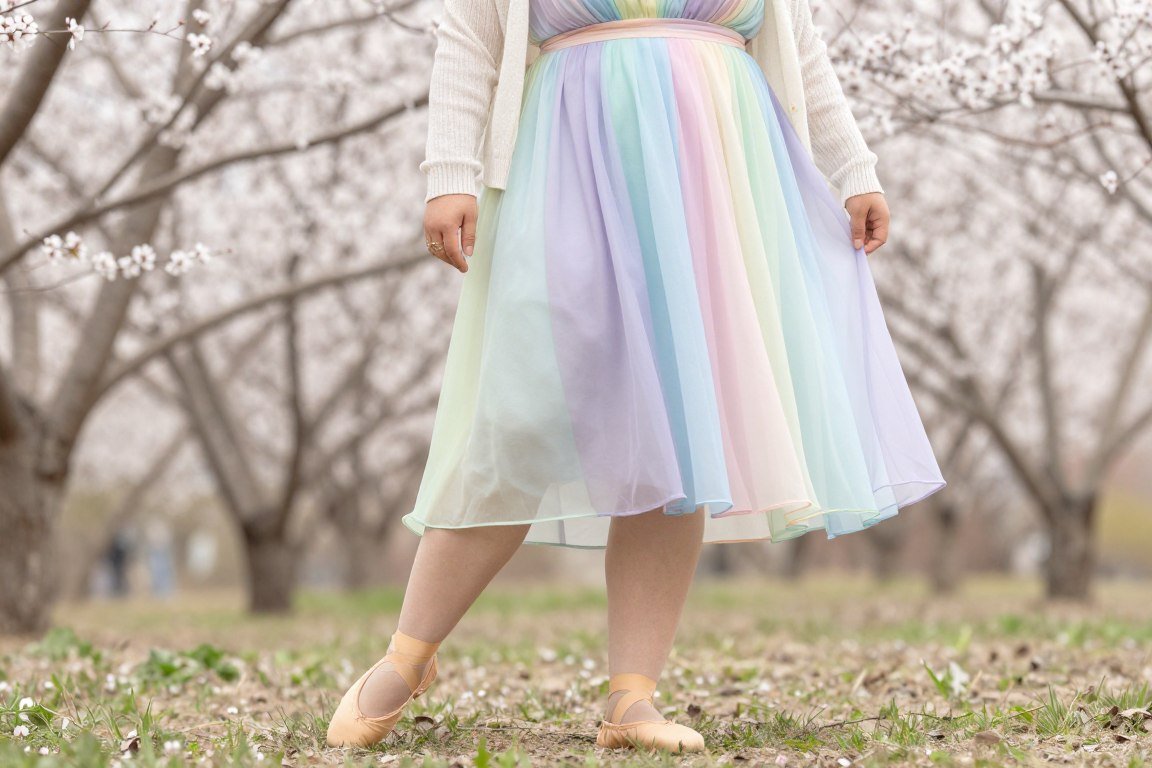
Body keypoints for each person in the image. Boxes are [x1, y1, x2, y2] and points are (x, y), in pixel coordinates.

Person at [327, 0, 947, 753]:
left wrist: (854, 167)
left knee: (680, 419)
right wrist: (449, 170)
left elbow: (798, 41)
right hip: (568, 156)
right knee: (519, 413)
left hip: (720, 166)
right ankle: (408, 655)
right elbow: (471, 37)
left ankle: (633, 698)